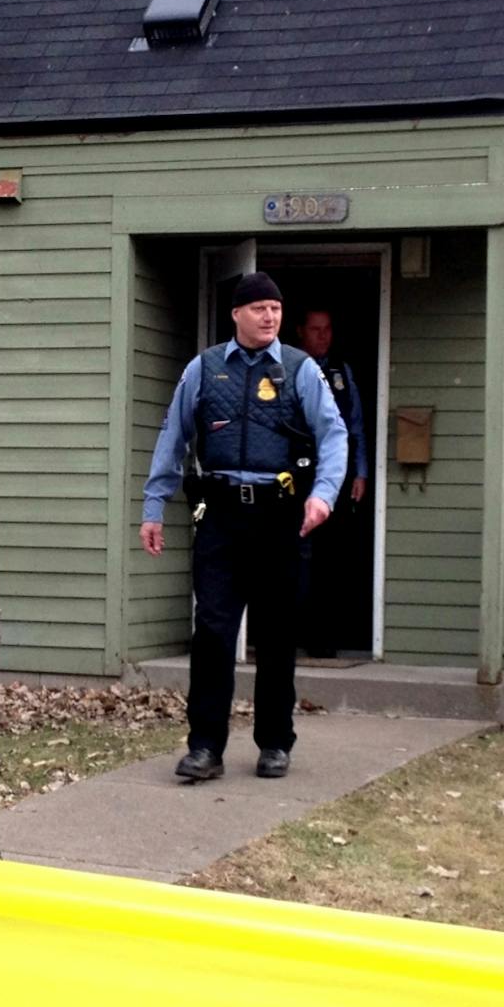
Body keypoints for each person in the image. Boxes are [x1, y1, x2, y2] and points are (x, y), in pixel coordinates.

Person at [139, 272, 348, 782]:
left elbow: (334, 433)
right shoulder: (204, 369)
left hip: (283, 517)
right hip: (221, 517)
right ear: (236, 314)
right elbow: (173, 437)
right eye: (258, 308)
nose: (269, 316)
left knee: (277, 636)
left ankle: (275, 743)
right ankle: (205, 748)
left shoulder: (299, 369)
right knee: (212, 632)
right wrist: (153, 505)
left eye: (276, 308)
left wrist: (323, 496)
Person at [295, 308, 367, 657]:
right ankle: (292, 635)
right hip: (294, 478)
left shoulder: (341, 372)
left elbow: (354, 426)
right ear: (300, 332)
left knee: (332, 560)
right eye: (315, 330)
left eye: (328, 329)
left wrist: (361, 471)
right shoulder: (288, 368)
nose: (323, 336)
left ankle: (326, 641)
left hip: (334, 479)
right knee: (298, 559)